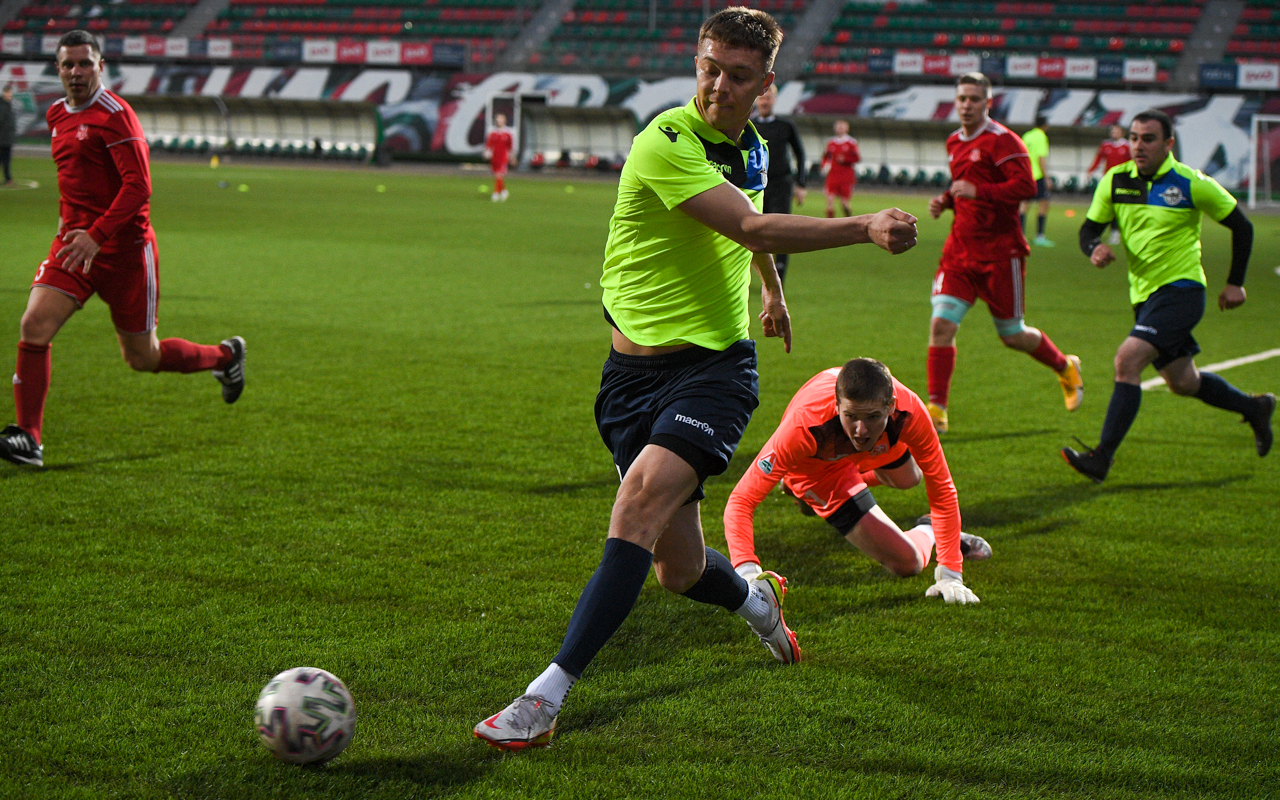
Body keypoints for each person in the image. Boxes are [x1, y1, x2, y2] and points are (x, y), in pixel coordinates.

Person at [473, 7, 918, 751]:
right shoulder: (667, 140)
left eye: (738, 76)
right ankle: (755, 603)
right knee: (676, 571)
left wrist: (771, 291)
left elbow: (750, 226)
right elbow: (749, 225)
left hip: (714, 371)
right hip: (628, 378)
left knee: (636, 508)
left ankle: (543, 701)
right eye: (709, 69)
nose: (718, 86)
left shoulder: (752, 148)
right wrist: (861, 225)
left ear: (764, 83)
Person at [0, 30, 245, 469]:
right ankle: (29, 438)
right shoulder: (57, 114)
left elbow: (139, 188)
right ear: (57, 69)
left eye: (85, 63)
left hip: (126, 253)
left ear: (101, 66)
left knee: (142, 357)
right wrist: (69, 228)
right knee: (33, 325)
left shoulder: (116, 116)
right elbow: (74, 181)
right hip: (75, 247)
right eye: (68, 64)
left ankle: (225, 357)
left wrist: (96, 235)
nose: (77, 72)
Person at [1062, 109, 1274, 482]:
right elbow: (1088, 230)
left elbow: (1242, 226)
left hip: (1182, 290)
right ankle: (1254, 407)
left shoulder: (1190, 182)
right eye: (1134, 138)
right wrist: (1094, 248)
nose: (1138, 146)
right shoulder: (1116, 180)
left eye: (1148, 139)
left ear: (1168, 143)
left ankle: (1101, 458)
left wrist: (1235, 282)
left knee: (1127, 360)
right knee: (1183, 382)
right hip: (1144, 297)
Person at [724, 358, 991, 609]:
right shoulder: (804, 426)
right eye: (851, 416)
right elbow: (741, 500)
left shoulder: (910, 412)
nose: (861, 430)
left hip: (866, 446)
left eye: (872, 416)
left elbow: (942, 486)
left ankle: (829, 489)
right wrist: (747, 572)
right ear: (837, 406)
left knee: (911, 477)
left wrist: (950, 574)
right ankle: (928, 529)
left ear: (891, 406)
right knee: (909, 562)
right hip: (818, 469)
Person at [926, 73, 1082, 435]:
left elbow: (1027, 187)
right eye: (962, 98)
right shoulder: (953, 141)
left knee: (1012, 335)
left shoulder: (1004, 141)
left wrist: (978, 192)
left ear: (988, 103)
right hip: (959, 251)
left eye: (974, 99)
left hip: (1000, 253)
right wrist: (946, 200)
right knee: (941, 325)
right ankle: (937, 409)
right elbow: (963, 184)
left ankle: (1064, 366)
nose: (967, 105)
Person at [751, 83, 806, 285]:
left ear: (774, 100)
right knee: (755, 231)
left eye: (768, 98)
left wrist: (800, 184)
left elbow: (800, 153)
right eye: (761, 98)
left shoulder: (786, 125)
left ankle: (779, 279)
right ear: (756, 100)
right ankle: (762, 277)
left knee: (782, 232)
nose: (764, 102)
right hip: (757, 185)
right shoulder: (749, 126)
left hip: (781, 184)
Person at [1087, 125, 1131, 245]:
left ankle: (1123, 231)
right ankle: (1113, 232)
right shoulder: (1105, 145)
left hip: (1123, 181)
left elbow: (1132, 163)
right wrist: (1090, 170)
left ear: (1122, 133)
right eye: (1112, 130)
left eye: (1116, 131)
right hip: (1108, 181)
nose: (1113, 132)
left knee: (1122, 207)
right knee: (1108, 206)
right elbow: (1098, 159)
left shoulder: (1127, 146)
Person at [1020, 115, 1053, 247]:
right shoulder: (1042, 137)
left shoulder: (1027, 136)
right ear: (1045, 125)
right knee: (1044, 203)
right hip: (1037, 175)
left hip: (1026, 175)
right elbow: (1041, 159)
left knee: (1024, 204)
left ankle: (1021, 235)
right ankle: (1039, 236)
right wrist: (1046, 178)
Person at [821, 119, 859, 218]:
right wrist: (824, 165)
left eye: (842, 127)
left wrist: (845, 159)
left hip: (846, 175)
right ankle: (830, 224)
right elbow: (825, 157)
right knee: (830, 200)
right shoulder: (831, 142)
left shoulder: (851, 142)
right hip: (833, 174)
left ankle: (849, 220)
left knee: (844, 204)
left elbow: (857, 158)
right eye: (838, 127)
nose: (840, 129)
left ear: (847, 129)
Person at [484, 113, 514, 202]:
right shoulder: (493, 133)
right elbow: (489, 145)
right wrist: (487, 152)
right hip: (495, 157)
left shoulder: (508, 133)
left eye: (500, 119)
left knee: (499, 175)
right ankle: (504, 191)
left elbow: (510, 147)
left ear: (504, 121)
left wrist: (512, 157)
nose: (499, 121)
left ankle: (496, 194)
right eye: (497, 120)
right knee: (498, 176)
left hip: (503, 157)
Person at [0, 84, 14, 186]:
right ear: (4, 93)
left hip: (7, 138)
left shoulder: (7, 105)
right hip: (2, 139)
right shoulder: (3, 106)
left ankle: (8, 179)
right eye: (7, 93)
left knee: (6, 160)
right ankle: (8, 179)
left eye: (10, 93)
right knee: (5, 160)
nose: (9, 95)